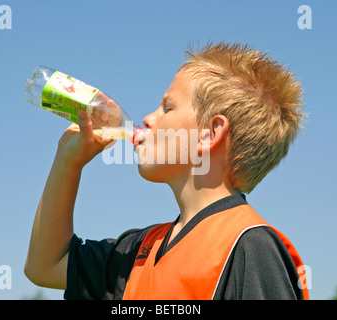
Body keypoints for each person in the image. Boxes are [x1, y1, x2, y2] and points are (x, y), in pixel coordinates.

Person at [24, 42, 309, 300]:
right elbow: (45, 266)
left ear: (210, 133)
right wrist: (67, 162)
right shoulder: (140, 251)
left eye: (167, 107)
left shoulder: (249, 246)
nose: (148, 119)